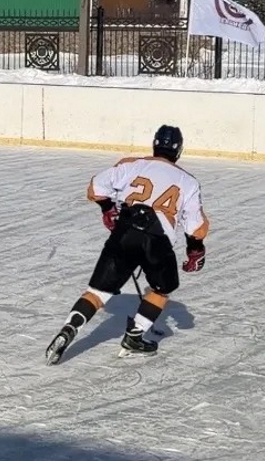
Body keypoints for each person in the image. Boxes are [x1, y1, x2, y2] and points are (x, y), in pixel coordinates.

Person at [45, 125, 209, 364]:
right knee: (162, 290)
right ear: (179, 151)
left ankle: (70, 327)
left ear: (154, 144)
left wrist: (108, 209)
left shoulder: (131, 164)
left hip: (125, 232)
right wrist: (196, 250)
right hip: (157, 240)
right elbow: (196, 228)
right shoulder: (188, 182)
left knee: (97, 293)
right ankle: (134, 337)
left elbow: (96, 188)